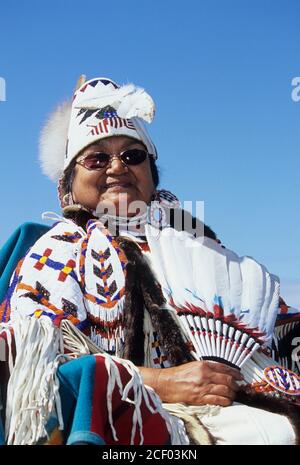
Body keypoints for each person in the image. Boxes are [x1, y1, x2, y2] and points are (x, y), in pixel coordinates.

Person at [0, 75, 299, 446]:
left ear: (151, 173)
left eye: (132, 155)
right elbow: (33, 367)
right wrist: (165, 383)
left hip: (240, 407)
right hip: (131, 420)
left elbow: (274, 322)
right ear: (67, 184)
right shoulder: (57, 251)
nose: (116, 167)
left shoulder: (198, 243)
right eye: (96, 158)